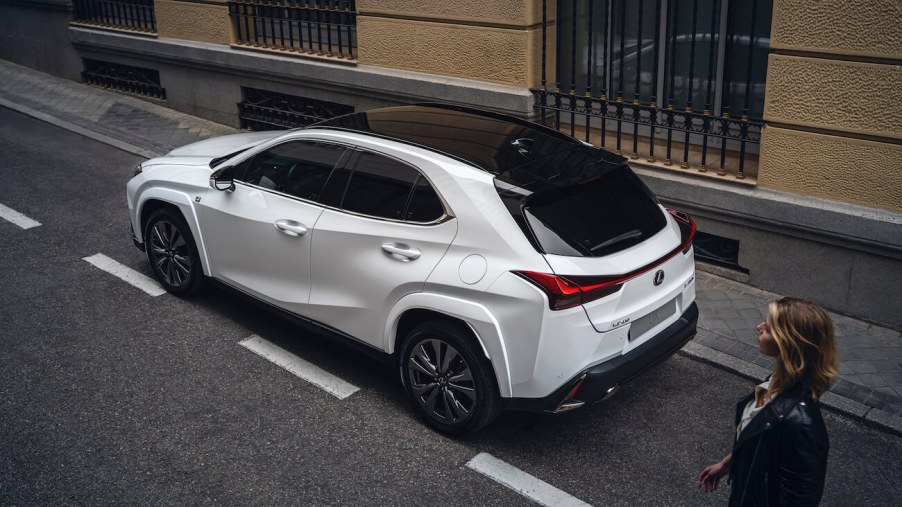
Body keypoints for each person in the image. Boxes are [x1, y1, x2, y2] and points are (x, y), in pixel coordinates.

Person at [697, 297, 839, 506]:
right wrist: (727, 464)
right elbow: (761, 442)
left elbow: (800, 500)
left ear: (788, 343)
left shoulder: (802, 424)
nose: (759, 327)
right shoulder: (776, 383)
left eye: (769, 328)